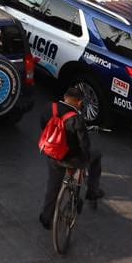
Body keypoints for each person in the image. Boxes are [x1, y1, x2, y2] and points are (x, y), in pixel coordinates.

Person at [38, 84, 104, 229]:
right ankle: (92, 192)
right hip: (72, 160)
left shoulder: (49, 107)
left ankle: (46, 218)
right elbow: (84, 144)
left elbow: (44, 126)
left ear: (65, 97)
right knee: (96, 155)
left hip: (52, 155)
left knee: (52, 186)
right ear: (79, 103)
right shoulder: (76, 119)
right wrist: (85, 159)